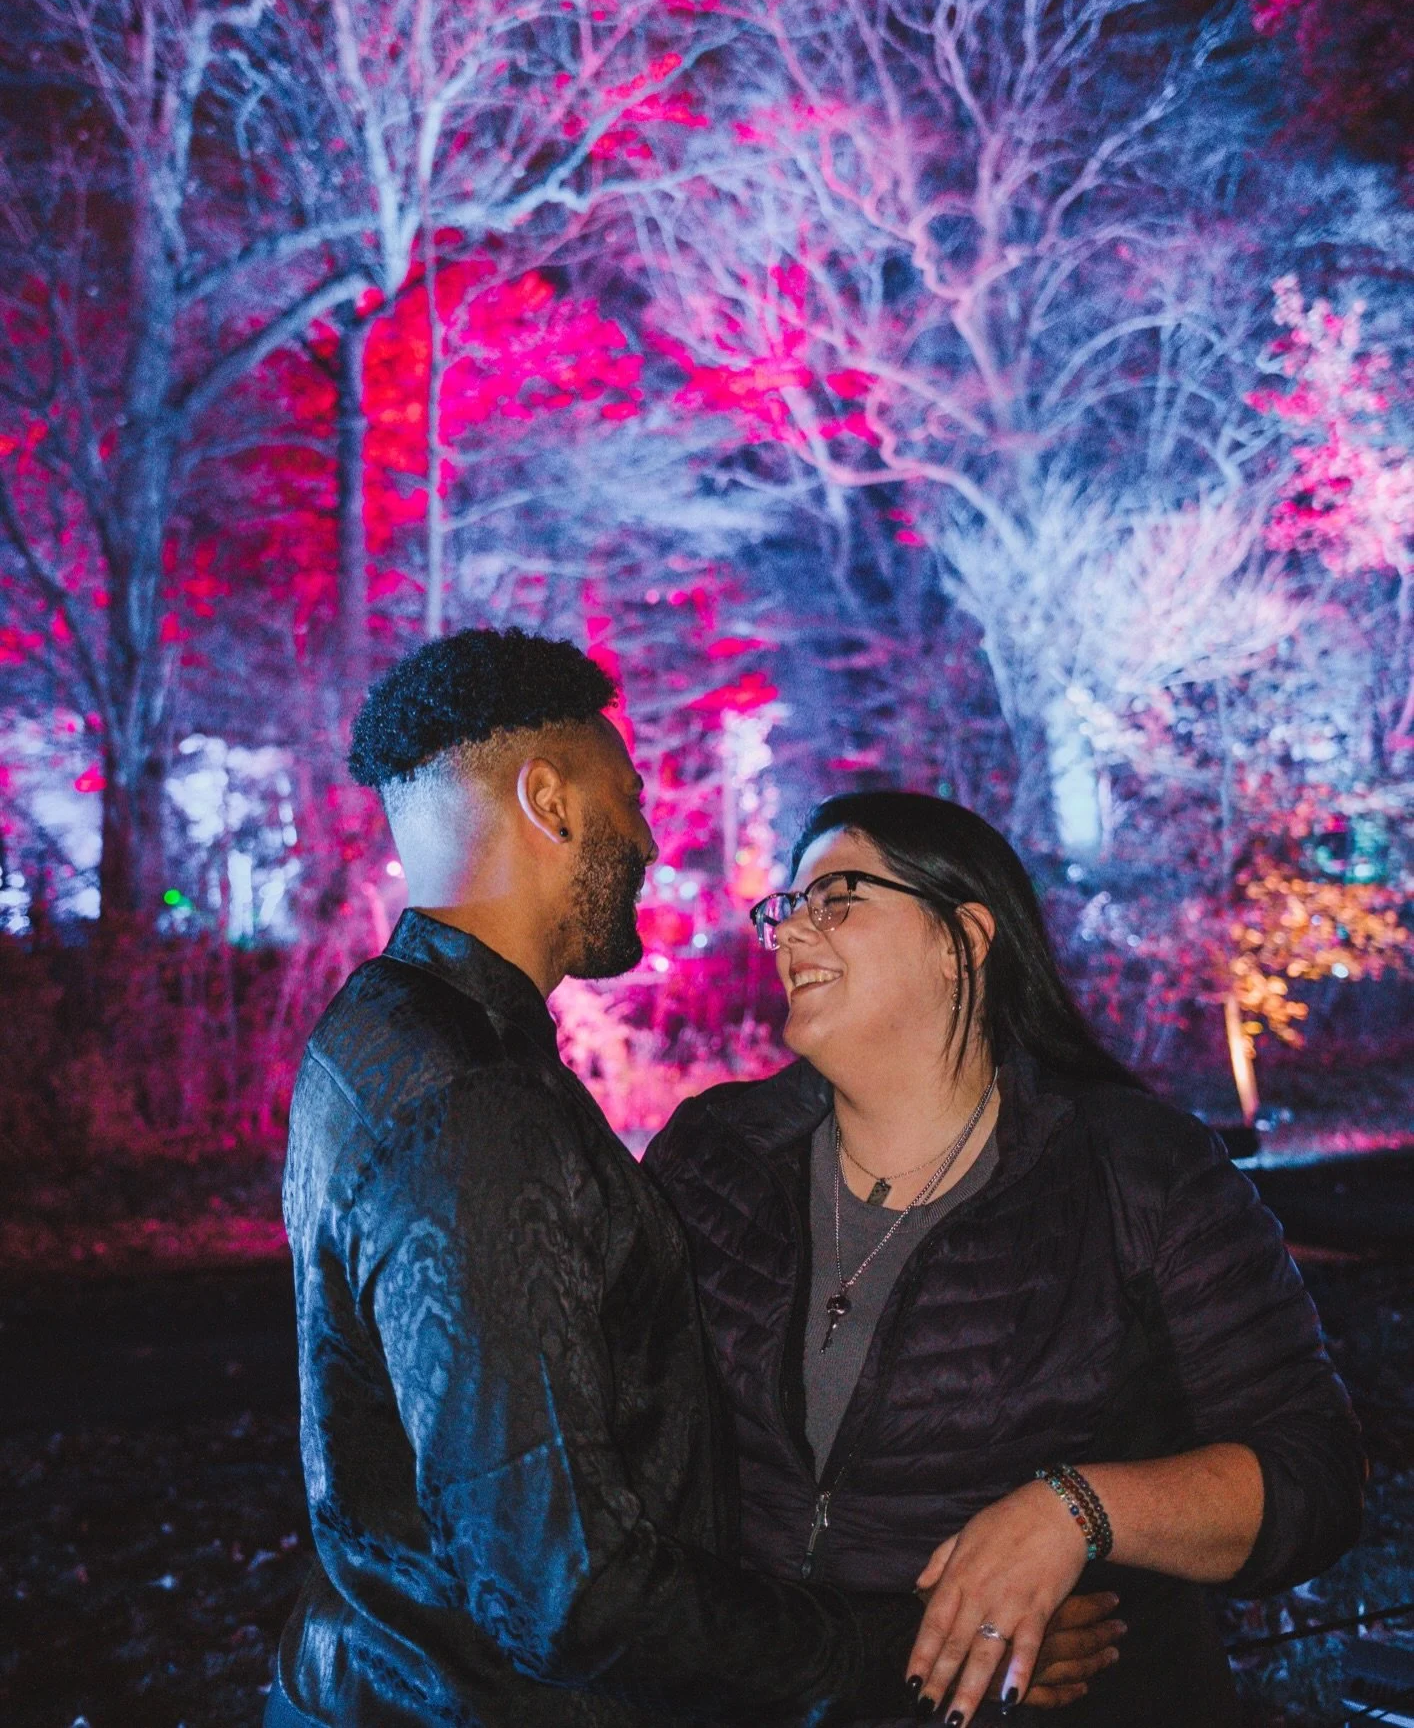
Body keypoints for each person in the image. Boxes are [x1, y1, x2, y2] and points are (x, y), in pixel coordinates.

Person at [268, 634, 1115, 1728]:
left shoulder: (368, 1038)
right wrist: (899, 1650)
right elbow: (565, 1593)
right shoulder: (476, 1106)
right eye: (627, 798)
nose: (652, 840)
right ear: (550, 801)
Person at [644, 790, 1366, 1728]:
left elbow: (1314, 1473)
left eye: (839, 896)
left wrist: (1076, 1509)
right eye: (786, 907)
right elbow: (631, 1461)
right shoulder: (712, 1160)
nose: (788, 933)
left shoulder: (1134, 1167)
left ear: (964, 938)